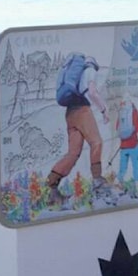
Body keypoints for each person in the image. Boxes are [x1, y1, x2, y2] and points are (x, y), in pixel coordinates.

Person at [45, 53, 110, 207]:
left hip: (70, 113)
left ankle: (51, 187)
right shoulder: (89, 70)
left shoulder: (73, 74)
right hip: (82, 110)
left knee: (73, 154)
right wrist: (103, 110)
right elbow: (92, 92)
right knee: (97, 143)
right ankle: (97, 182)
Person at [116, 99, 138, 189]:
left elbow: (117, 127)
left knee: (123, 168)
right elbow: (137, 128)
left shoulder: (121, 111)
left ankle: (118, 184)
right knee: (136, 167)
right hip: (133, 145)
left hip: (123, 146)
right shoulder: (133, 110)